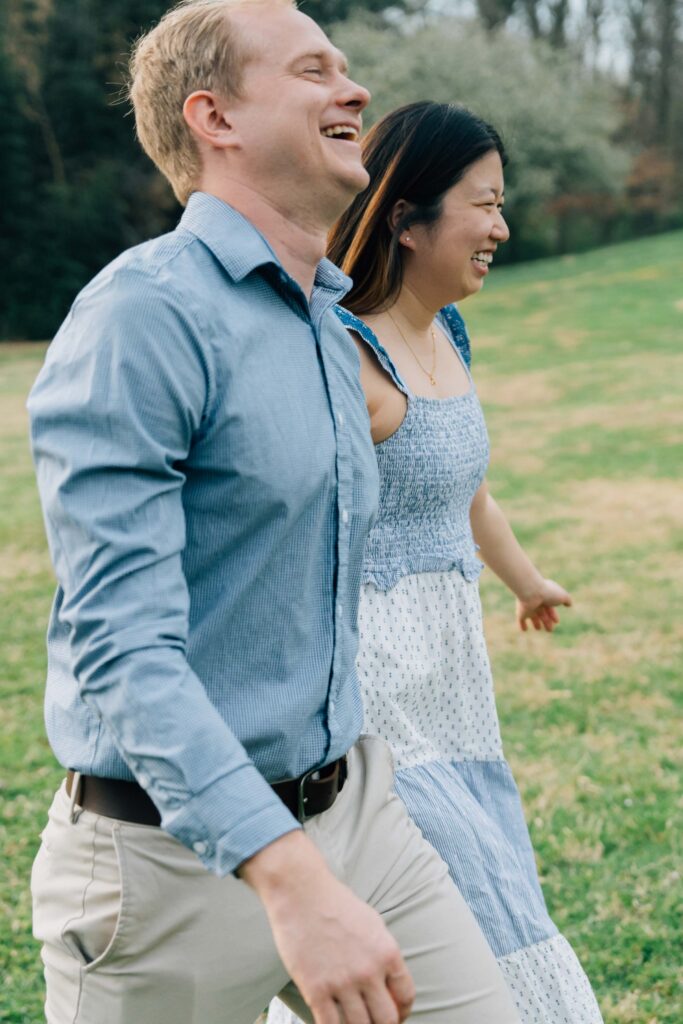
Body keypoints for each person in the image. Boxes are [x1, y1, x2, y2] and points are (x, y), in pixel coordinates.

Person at [27, 5, 522, 1024]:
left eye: (345, 68)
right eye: (312, 71)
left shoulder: (324, 318)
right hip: (161, 875)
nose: (354, 91)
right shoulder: (141, 318)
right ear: (214, 117)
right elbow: (121, 653)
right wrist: (289, 878)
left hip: (360, 821)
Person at [268, 102, 604, 1024]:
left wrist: (526, 581)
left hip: (451, 675)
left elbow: (468, 491)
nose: (501, 227)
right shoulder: (342, 358)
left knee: (484, 869)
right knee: (449, 885)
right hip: (375, 687)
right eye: (484, 205)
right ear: (408, 219)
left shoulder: (446, 334)